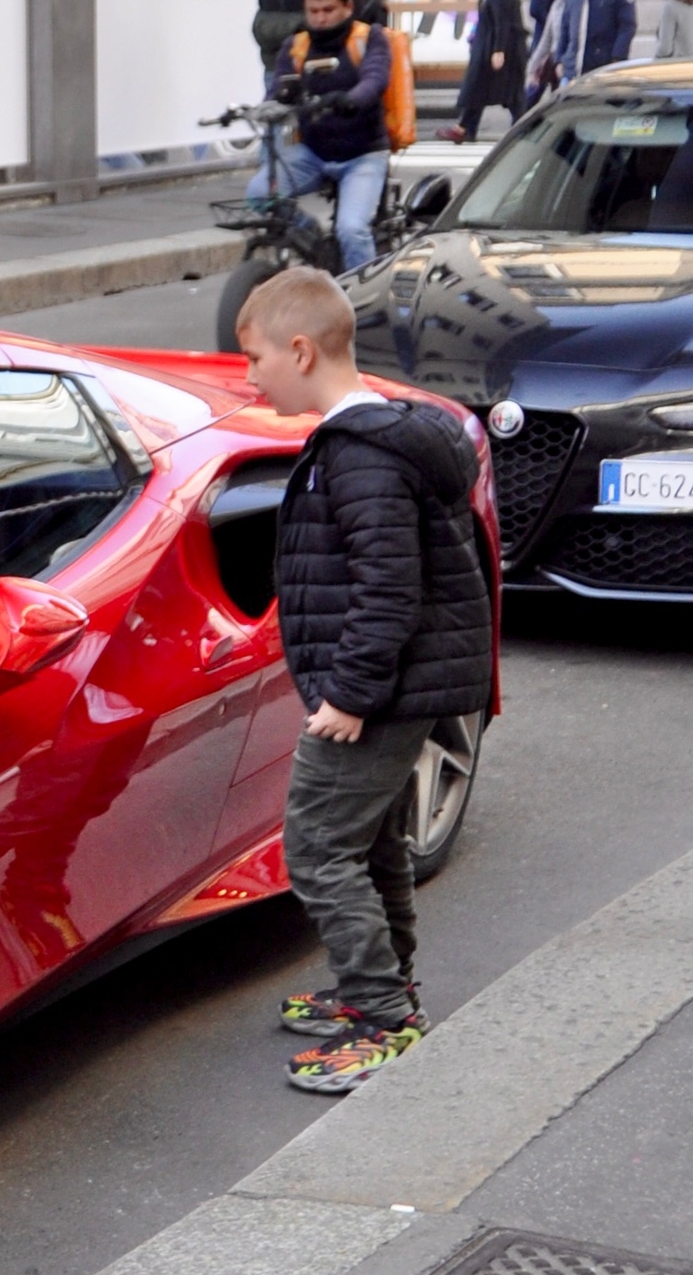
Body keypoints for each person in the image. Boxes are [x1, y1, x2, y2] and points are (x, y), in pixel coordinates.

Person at [233, 268, 493, 1094]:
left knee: (316, 847)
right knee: (373, 839)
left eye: (255, 357)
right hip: (397, 687)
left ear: (301, 350)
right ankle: (382, 986)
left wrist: (347, 694)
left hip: (375, 693)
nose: (248, 374)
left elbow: (389, 589)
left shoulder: (362, 459)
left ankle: (384, 1016)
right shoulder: (374, 442)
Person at [253, 0, 393, 274]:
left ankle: (361, 298)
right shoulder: (296, 46)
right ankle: (312, 238)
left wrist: (352, 99)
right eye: (313, 11)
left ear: (347, 8)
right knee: (259, 195)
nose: (320, 18)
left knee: (352, 229)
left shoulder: (369, 38)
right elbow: (278, 89)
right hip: (313, 154)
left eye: (328, 10)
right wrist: (272, 105)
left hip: (362, 155)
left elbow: (375, 79)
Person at [440, 0, 527, 144]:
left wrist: (499, 49)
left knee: (512, 94)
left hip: (501, 47)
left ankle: (522, 128)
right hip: (492, 44)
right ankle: (465, 127)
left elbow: (502, 20)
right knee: (479, 88)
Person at [528, 0, 638, 103]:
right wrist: (559, 61)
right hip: (571, 72)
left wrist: (617, 59)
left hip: (602, 70)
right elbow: (564, 29)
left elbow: (627, 27)